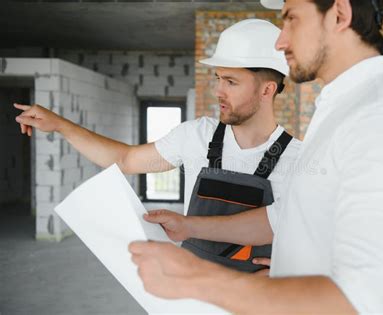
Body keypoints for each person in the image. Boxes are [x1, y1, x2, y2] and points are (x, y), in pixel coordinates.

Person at [128, 0, 383, 313]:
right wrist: (189, 227)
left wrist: (197, 278)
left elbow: (361, 301)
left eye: (291, 18)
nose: (281, 40)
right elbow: (283, 217)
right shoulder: (342, 112)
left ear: (339, 13)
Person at [14, 19, 300, 273]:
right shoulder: (196, 137)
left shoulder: (298, 158)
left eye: (231, 81)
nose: (218, 91)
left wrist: (296, 265)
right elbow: (126, 159)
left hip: (258, 297)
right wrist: (61, 126)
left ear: (267, 89)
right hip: (190, 287)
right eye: (218, 79)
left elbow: (300, 230)